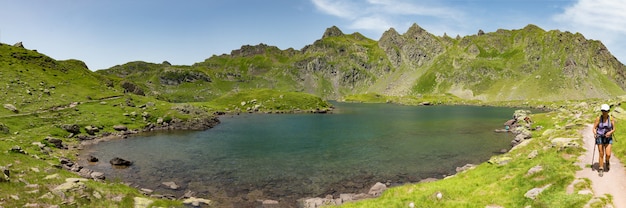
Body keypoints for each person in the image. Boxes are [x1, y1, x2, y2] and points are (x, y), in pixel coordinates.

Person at [593, 104, 615, 174]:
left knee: (608, 154)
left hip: (608, 137)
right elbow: (594, 128)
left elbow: (614, 129)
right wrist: (595, 134)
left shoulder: (611, 118)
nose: (604, 112)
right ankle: (601, 168)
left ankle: (607, 161)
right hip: (600, 136)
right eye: (602, 110)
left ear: (608, 111)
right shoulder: (598, 118)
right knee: (601, 153)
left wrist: (610, 132)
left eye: (605, 111)